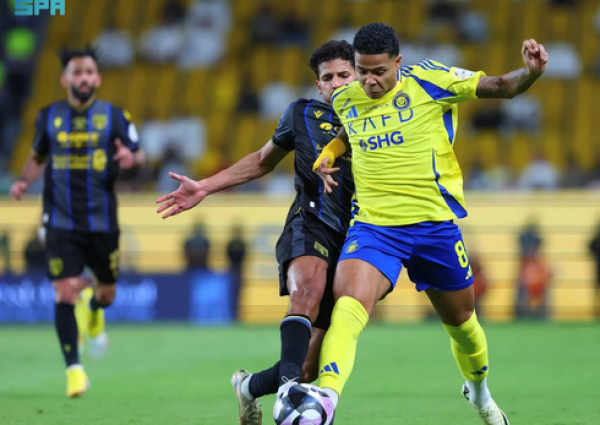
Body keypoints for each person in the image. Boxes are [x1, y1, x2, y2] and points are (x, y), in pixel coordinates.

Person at [312, 23, 548, 425]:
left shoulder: (430, 81)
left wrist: (530, 73)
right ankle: (325, 400)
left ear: (398, 63)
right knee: (348, 307)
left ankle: (479, 392)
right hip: (374, 227)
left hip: (434, 227)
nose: (369, 81)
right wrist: (330, 153)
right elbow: (350, 132)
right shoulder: (346, 98)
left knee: (463, 325)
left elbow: (500, 87)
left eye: (379, 72)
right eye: (362, 71)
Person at [155, 40, 356, 425]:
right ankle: (288, 396)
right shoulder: (301, 113)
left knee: (307, 367)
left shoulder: (379, 117)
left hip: (354, 237)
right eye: (327, 77)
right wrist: (205, 187)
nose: (335, 83)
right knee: (307, 290)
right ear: (318, 85)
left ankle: (248, 386)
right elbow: (263, 161)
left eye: (343, 75)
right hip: (309, 222)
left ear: (358, 75)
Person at [10, 46, 145, 398]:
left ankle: (95, 310)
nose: (83, 78)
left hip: (102, 221)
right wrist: (23, 181)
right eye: (77, 73)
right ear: (65, 78)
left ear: (97, 78)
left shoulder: (115, 116)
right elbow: (37, 155)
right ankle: (74, 370)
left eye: (89, 73)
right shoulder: (48, 116)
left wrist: (131, 158)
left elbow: (139, 154)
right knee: (65, 290)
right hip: (60, 219)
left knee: (107, 293)